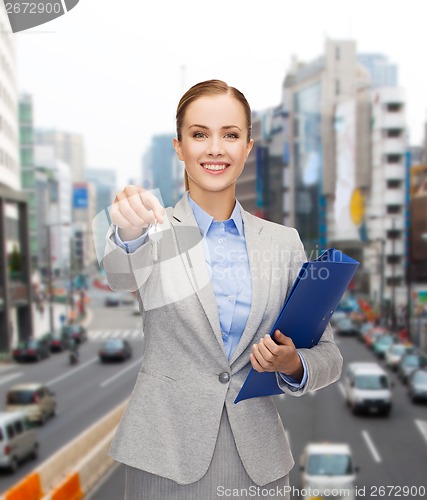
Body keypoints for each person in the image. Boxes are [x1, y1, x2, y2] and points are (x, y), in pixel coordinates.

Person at [103, 79, 343, 500]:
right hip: (163, 457)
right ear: (179, 146)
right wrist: (125, 229)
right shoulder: (149, 228)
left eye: (230, 135)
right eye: (200, 135)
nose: (215, 148)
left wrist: (291, 364)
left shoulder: (282, 242)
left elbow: (330, 355)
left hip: (258, 462)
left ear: (248, 147)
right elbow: (121, 276)